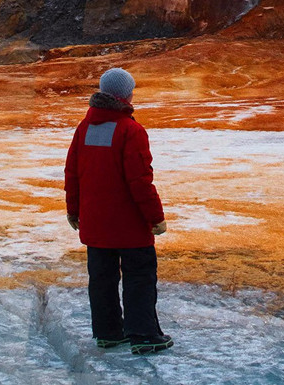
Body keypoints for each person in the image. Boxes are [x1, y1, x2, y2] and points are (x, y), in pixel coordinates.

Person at [64, 67, 172, 355]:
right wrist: (156, 217)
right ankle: (144, 335)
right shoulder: (130, 130)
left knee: (102, 279)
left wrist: (73, 211)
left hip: (96, 224)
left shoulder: (84, 128)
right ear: (125, 95)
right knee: (139, 277)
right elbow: (139, 181)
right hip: (129, 226)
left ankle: (108, 332)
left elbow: (72, 173)